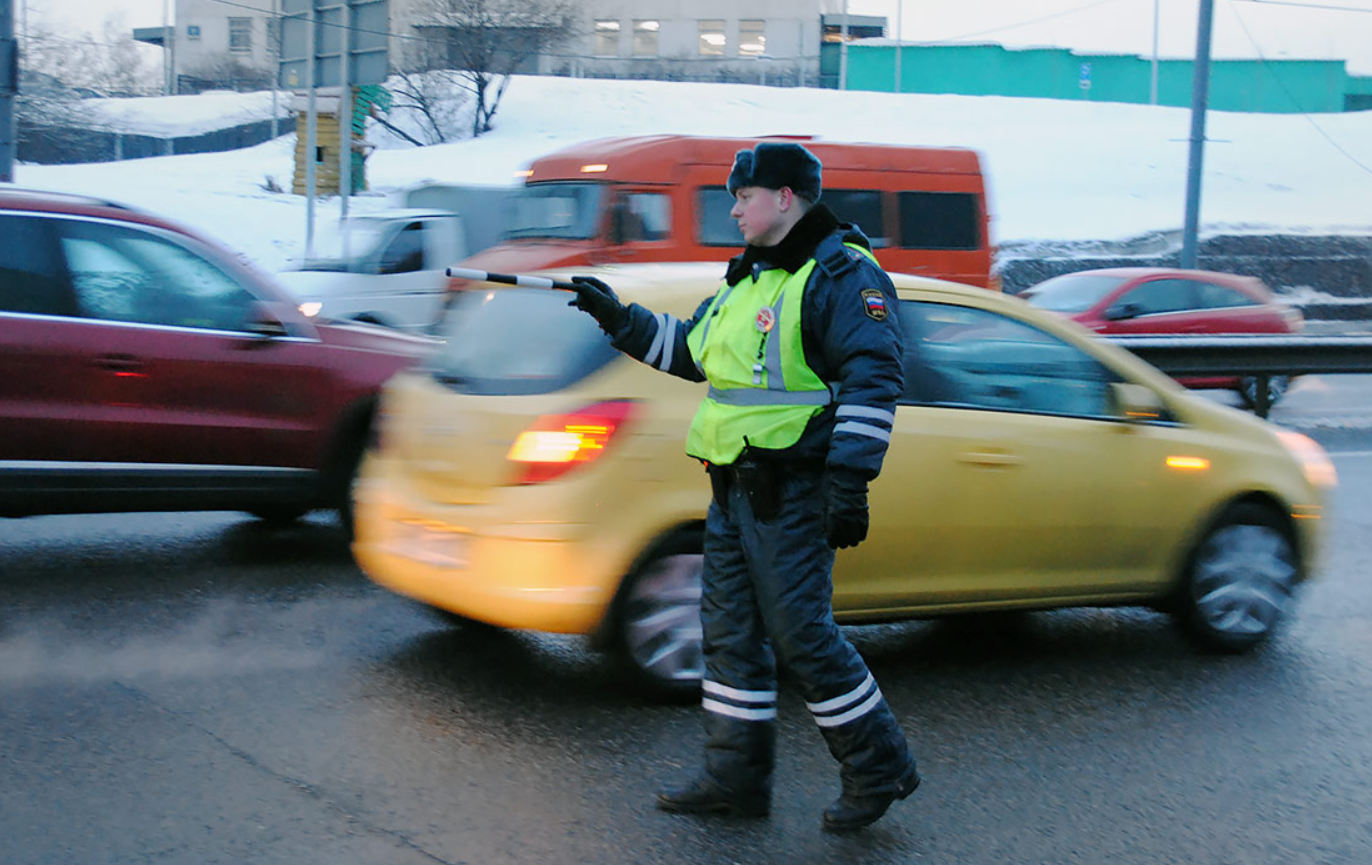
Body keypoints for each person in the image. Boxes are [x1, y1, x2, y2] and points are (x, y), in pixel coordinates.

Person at [566, 142, 918, 832]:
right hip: (732, 491)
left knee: (803, 637)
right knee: (727, 638)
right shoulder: (748, 280)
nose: (733, 209)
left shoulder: (842, 275)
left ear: (785, 197)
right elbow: (694, 352)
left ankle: (879, 767)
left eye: (743, 197)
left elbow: (875, 375)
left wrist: (850, 481)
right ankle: (735, 779)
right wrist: (619, 319)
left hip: (795, 491)